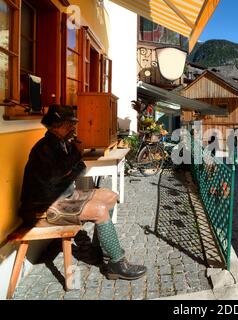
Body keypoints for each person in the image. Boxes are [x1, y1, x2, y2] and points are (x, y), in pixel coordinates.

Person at [19, 105, 147, 281]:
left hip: (62, 195)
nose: (73, 128)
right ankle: (117, 264)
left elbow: (78, 171)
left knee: (111, 196)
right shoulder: (44, 148)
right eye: (69, 124)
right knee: (100, 210)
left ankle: (97, 249)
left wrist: (74, 155)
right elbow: (57, 175)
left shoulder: (62, 144)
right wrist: (76, 155)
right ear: (56, 125)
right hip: (42, 208)